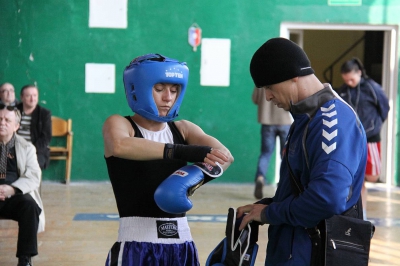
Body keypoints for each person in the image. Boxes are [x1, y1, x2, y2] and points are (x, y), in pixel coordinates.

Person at [236, 38, 367, 265]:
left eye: (269, 87)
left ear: (293, 75)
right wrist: (268, 206)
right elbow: (303, 187)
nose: (267, 97)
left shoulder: (332, 122)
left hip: (312, 254)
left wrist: (271, 214)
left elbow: (328, 198)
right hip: (294, 251)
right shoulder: (306, 119)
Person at [102, 53, 234, 266]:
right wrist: (181, 152)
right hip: (136, 245)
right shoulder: (120, 124)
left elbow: (225, 156)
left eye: (174, 90)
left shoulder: (183, 129)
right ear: (138, 89)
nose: (168, 98)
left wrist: (191, 177)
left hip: (182, 244)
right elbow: (119, 145)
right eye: (159, 89)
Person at [339, 57, 389, 220]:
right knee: (357, 181)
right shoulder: (343, 91)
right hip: (351, 139)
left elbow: (384, 108)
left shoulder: (372, 88)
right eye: (346, 80)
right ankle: (362, 213)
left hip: (370, 138)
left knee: (372, 176)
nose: (349, 82)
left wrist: (374, 125)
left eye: (352, 79)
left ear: (359, 73)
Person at [0, 104, 44, 266]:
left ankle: (25, 258)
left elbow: (33, 175)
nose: (2, 123)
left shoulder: (26, 147)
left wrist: (11, 189)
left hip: (14, 195)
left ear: (16, 126)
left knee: (30, 206)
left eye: (7, 120)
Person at [252, 86, 292, 199]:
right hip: (285, 122)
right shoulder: (284, 79)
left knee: (266, 153)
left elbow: (255, 99)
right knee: (285, 155)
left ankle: (260, 177)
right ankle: (284, 183)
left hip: (267, 122)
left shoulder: (261, 82)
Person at [16, 85, 52, 170]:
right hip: (16, 148)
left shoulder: (44, 113)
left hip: (36, 150)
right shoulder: (14, 111)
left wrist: (31, 150)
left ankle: (34, 183)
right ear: (22, 97)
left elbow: (46, 137)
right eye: (28, 96)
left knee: (35, 165)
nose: (33, 99)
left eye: (35, 95)